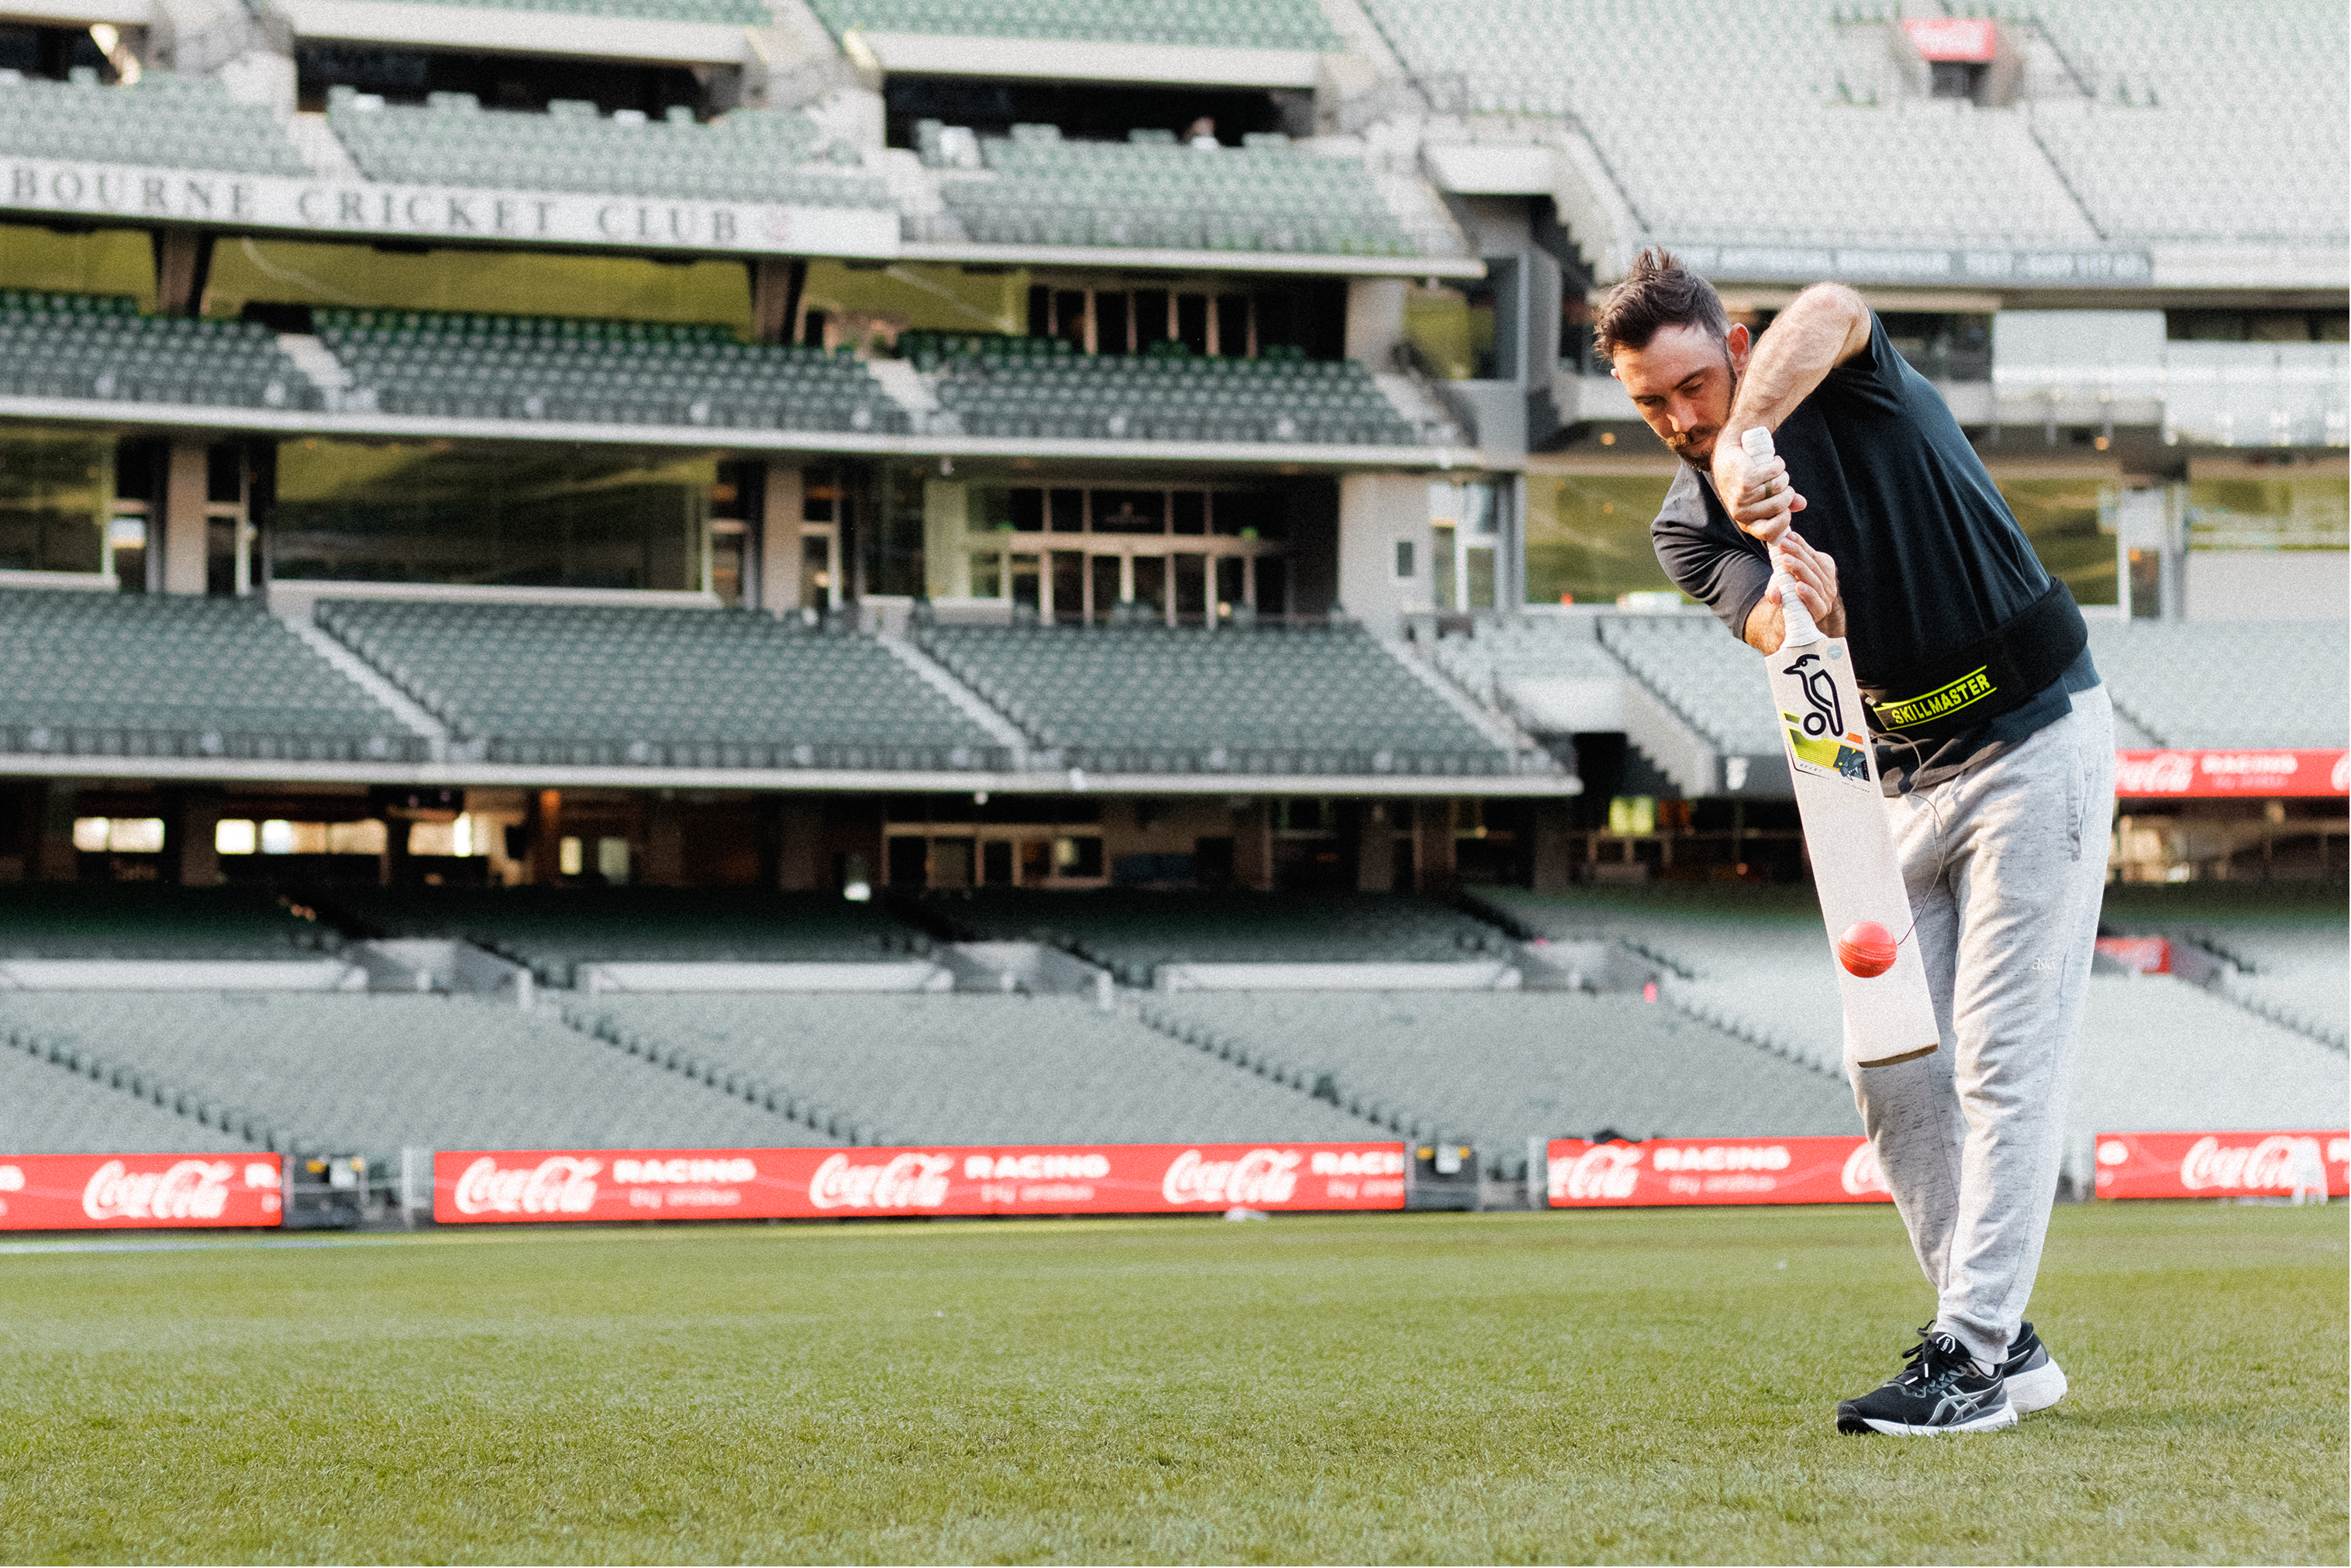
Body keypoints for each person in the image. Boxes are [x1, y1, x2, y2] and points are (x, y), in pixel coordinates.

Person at [1594, 248, 2114, 1435]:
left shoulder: (1824, 373)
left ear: (1735, 350)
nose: (1680, 421)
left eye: (1692, 386)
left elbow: (1830, 306)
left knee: (1999, 1058)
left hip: (2035, 734)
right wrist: (1799, 611)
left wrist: (1748, 439)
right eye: (1652, 406)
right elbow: (1770, 623)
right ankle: (2004, 1338)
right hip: (1900, 784)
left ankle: (1968, 1355)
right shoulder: (1686, 528)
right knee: (1889, 1072)